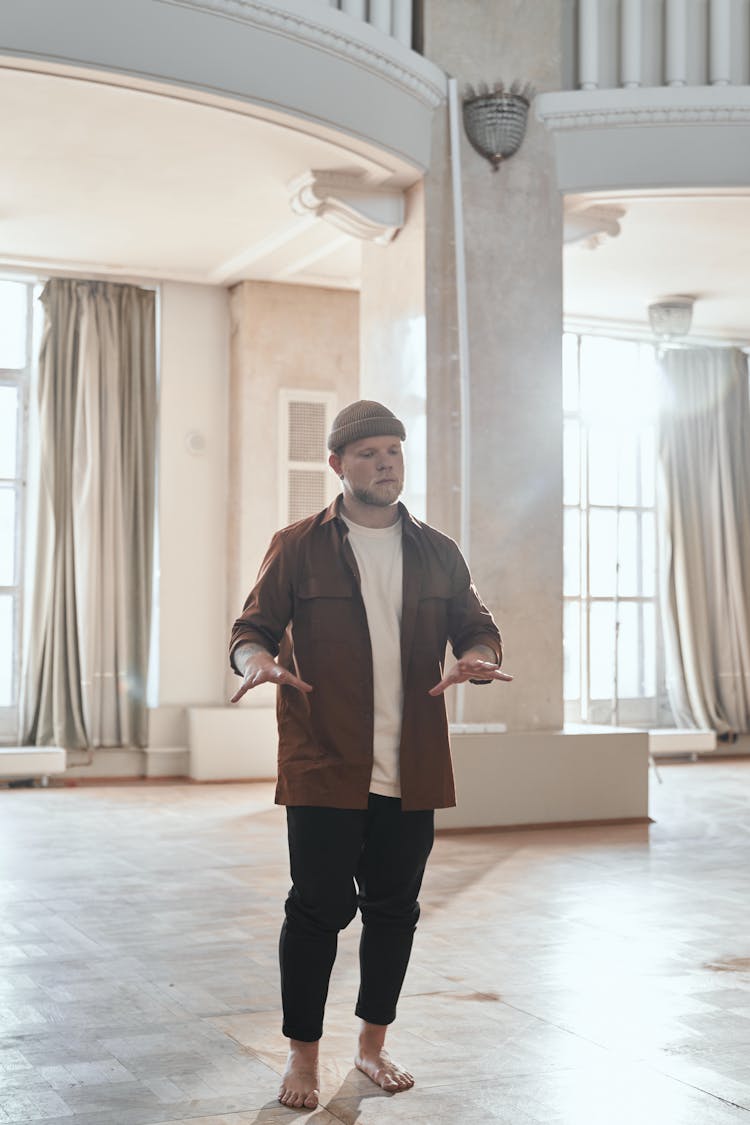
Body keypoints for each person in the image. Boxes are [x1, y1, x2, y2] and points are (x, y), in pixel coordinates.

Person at [229, 400, 511, 1111]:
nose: (385, 462)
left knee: (395, 910)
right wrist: (256, 661)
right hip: (324, 759)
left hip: (411, 764)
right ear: (337, 465)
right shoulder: (297, 544)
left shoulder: (438, 551)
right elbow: (250, 627)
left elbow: (476, 627)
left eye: (394, 450)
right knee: (317, 909)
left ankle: (372, 1046)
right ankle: (303, 1054)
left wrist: (477, 658)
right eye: (368, 453)